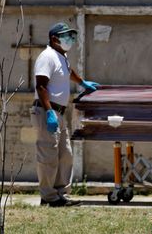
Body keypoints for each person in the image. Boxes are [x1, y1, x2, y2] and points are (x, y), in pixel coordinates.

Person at [31, 22, 99, 207]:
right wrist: (49, 112)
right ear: (54, 39)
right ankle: (48, 197)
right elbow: (41, 85)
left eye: (71, 36)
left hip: (60, 112)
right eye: (66, 36)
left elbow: (69, 72)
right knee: (48, 155)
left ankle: (61, 193)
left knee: (65, 155)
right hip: (47, 111)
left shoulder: (61, 56)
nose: (70, 39)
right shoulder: (47, 56)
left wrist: (82, 82)